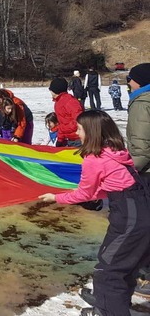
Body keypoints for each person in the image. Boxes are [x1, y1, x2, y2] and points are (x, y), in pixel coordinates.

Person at [39, 110, 150, 316]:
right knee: (124, 267)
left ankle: (110, 310)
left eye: (80, 128)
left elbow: (85, 193)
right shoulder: (116, 152)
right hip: (140, 211)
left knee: (109, 272)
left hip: (129, 218)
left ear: (92, 132)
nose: (76, 132)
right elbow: (111, 186)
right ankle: (109, 305)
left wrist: (57, 198)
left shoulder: (94, 158)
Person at [126, 63, 150, 298]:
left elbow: (142, 147)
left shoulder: (142, 103)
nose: (128, 83)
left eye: (130, 79)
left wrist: (130, 173)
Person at [49, 78, 83, 147]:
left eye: (50, 90)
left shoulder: (70, 101)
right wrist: (60, 139)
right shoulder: (58, 102)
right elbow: (62, 123)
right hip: (70, 139)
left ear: (55, 90)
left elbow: (80, 120)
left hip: (79, 139)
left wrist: (64, 129)